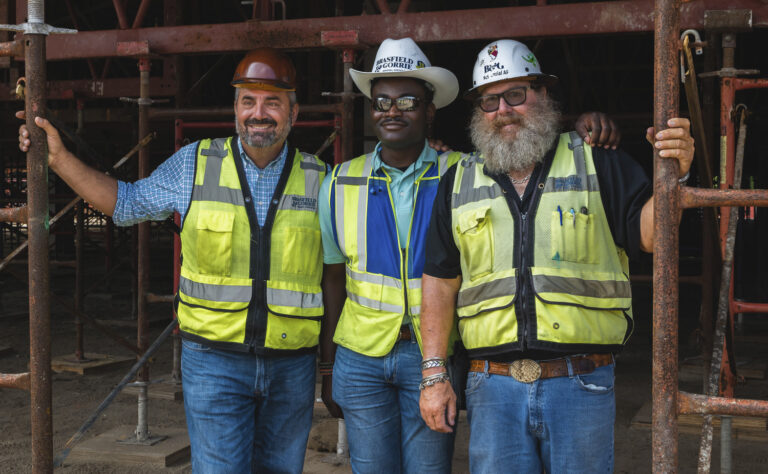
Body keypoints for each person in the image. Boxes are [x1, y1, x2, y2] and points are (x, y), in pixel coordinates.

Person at [318, 37, 623, 473]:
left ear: (429, 109)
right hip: (361, 354)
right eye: (381, 101)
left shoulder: (462, 170)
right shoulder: (339, 182)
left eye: (407, 100)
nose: (392, 110)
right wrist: (328, 365)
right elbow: (332, 275)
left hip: (432, 353)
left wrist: (588, 125)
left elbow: (519, 143)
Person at [19, 48, 326, 473]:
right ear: (235, 108)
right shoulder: (194, 166)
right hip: (214, 363)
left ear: (294, 111)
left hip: (292, 365)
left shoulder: (321, 179)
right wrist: (58, 158)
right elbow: (125, 203)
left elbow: (341, 268)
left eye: (273, 102)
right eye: (248, 101)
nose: (260, 113)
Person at [418, 39, 694, 474]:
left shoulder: (599, 165)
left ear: (543, 95)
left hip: (581, 382)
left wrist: (676, 175)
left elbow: (650, 237)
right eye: (490, 100)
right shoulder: (458, 181)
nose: (503, 109)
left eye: (516, 95)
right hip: (492, 386)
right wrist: (434, 376)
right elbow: (439, 281)